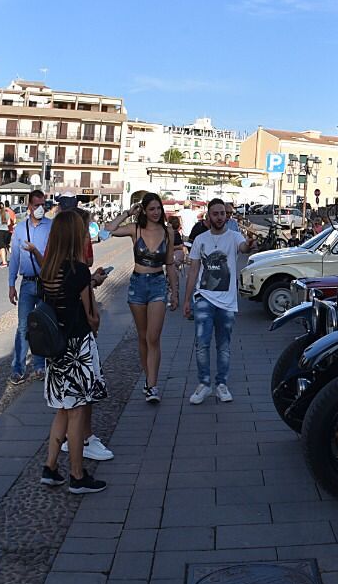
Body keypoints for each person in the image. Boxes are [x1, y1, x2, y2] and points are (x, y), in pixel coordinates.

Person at [36, 208, 108, 495]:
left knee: (63, 412)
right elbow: (93, 318)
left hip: (55, 350)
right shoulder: (79, 270)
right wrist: (91, 286)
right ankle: (77, 476)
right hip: (78, 348)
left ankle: (50, 467)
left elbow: (58, 301)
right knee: (77, 412)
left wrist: (87, 285)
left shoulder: (46, 271)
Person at [109, 193, 181, 404]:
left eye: (158, 208)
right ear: (144, 211)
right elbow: (109, 229)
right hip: (138, 284)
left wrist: (174, 292)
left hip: (158, 283)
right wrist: (127, 213)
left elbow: (169, 263)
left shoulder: (167, 231)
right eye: (152, 209)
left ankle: (152, 385)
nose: (156, 212)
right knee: (142, 336)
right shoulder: (135, 229)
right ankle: (147, 378)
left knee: (153, 337)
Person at [182, 198, 252, 404]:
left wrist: (248, 244)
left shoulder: (234, 236)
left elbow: (244, 248)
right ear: (208, 216)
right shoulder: (200, 239)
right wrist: (187, 300)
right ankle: (204, 384)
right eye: (216, 213)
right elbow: (193, 271)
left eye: (223, 213)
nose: (220, 217)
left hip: (227, 302)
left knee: (223, 346)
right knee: (202, 344)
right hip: (204, 298)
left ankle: (221, 384)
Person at [6, 190, 52, 385]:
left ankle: (40, 366)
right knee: (23, 327)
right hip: (26, 283)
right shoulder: (20, 229)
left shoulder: (51, 226)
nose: (40, 208)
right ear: (29, 207)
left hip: (45, 283)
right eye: (36, 205)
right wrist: (11, 285)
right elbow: (14, 257)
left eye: (43, 205)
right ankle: (18, 369)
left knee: (41, 326)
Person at [0, 200, 13, 267]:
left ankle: (4, 262)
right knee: (0, 247)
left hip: (0, 232)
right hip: (6, 231)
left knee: (2, 247)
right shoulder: (7, 214)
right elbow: (9, 223)